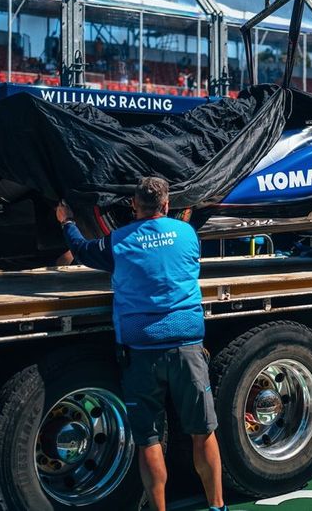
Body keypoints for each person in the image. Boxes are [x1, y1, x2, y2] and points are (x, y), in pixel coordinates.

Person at [55, 177, 226, 511]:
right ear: (166, 205)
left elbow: (82, 250)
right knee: (203, 431)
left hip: (142, 352)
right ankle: (217, 507)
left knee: (148, 439)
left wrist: (67, 222)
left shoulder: (118, 242)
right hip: (187, 348)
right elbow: (176, 242)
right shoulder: (188, 235)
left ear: (134, 206)